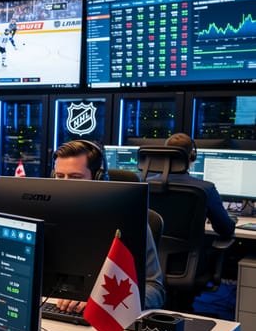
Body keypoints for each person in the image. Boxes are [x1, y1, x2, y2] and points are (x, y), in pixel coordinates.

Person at [51, 139, 165, 312]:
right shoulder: (44, 215)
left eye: (75, 177)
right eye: (60, 177)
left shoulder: (128, 219)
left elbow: (154, 289)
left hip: (105, 315)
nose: (65, 184)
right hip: (53, 308)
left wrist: (105, 300)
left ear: (98, 178)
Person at [161, 133, 236, 239]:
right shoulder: (206, 189)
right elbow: (226, 229)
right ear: (192, 156)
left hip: (152, 249)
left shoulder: (146, 183)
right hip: (188, 249)